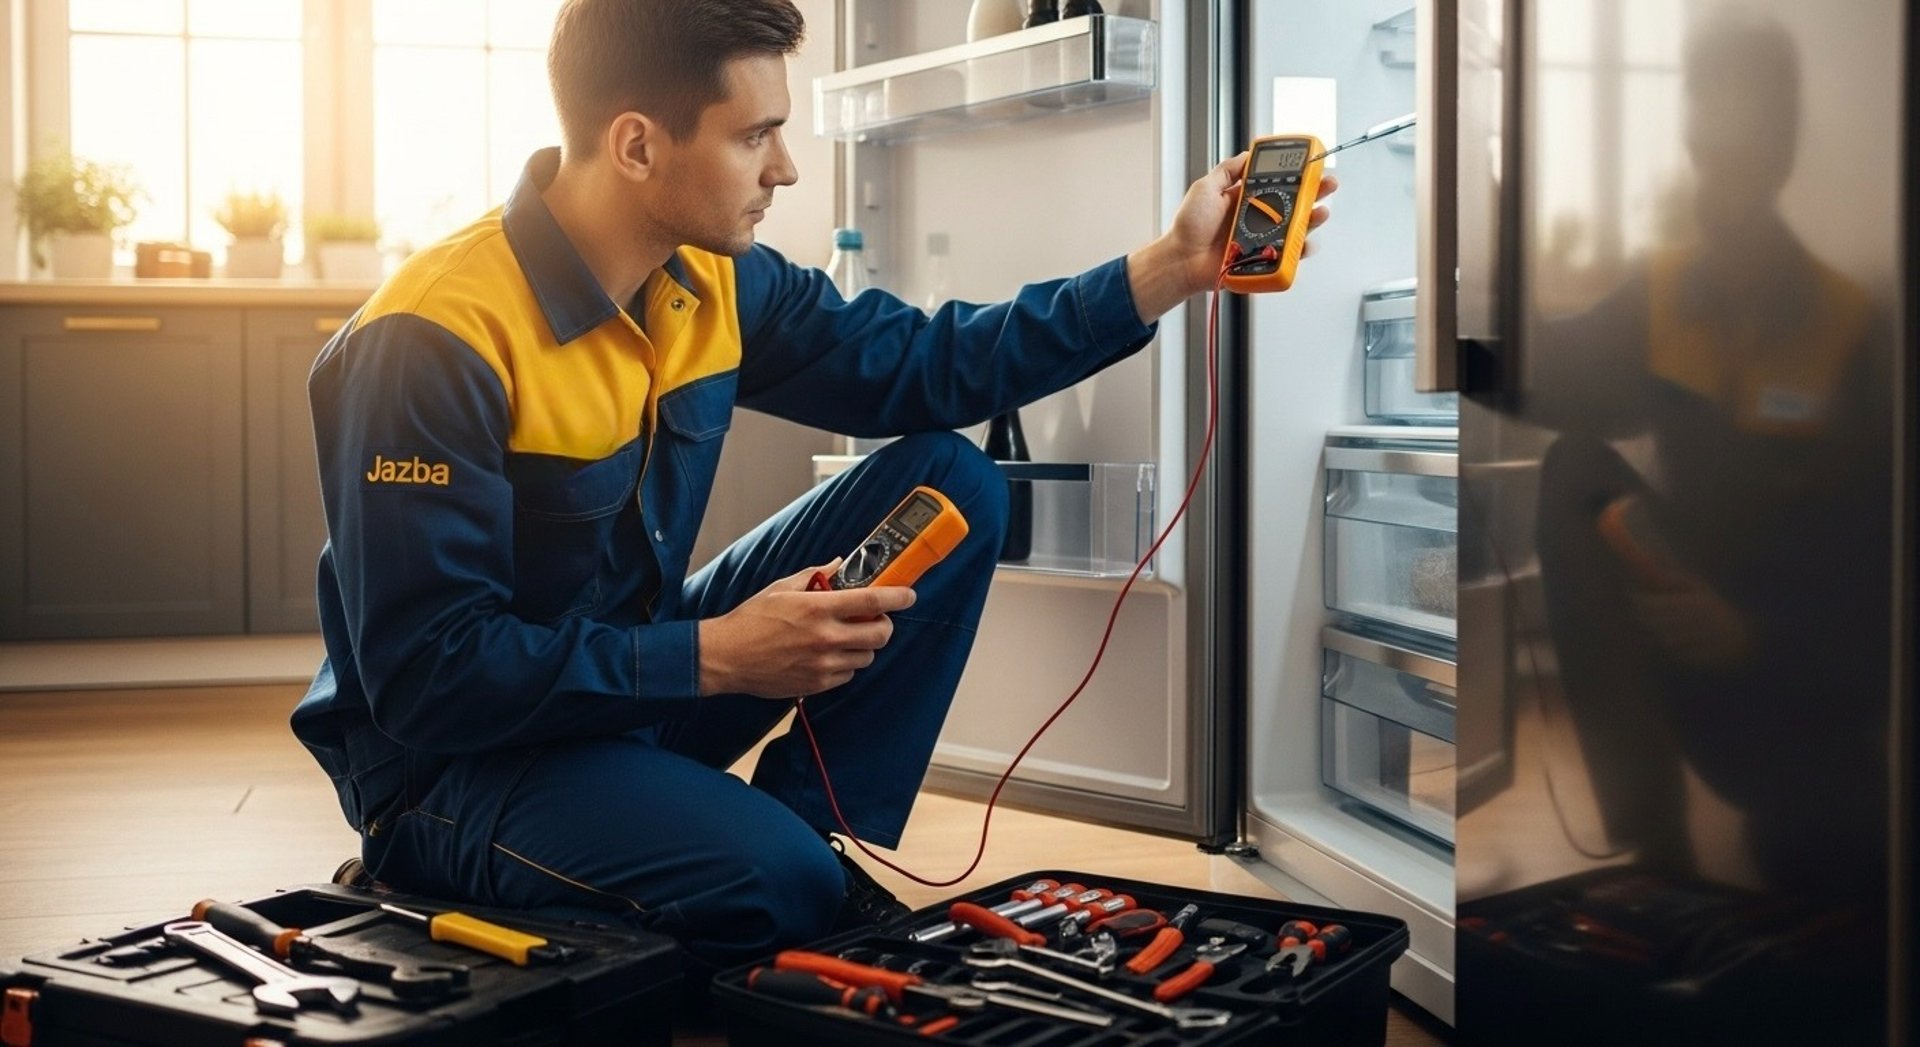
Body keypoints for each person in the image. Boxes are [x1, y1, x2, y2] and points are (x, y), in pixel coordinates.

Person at [291, 0, 1334, 979]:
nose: (786, 169)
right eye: (756, 136)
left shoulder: (712, 282)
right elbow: (429, 677)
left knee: (953, 478)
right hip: (454, 765)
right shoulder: (432, 340)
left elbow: (932, 364)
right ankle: (716, 878)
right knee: (772, 889)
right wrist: (714, 655)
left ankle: (801, 839)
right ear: (638, 144)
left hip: (633, 692)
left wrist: (1166, 267)